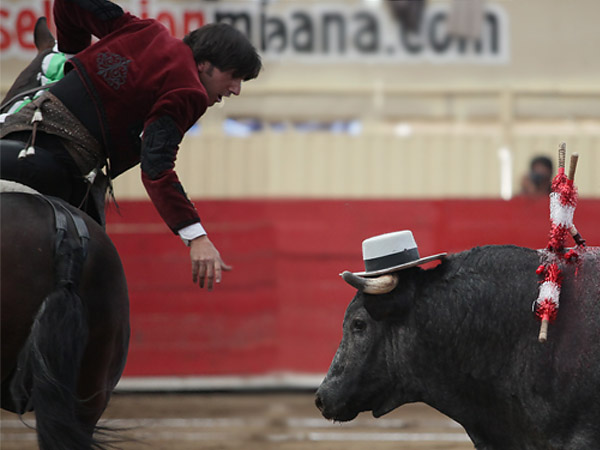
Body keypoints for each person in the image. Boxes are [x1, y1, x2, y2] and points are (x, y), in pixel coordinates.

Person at [0, 0, 262, 291]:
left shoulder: (144, 29)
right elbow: (156, 168)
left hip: (21, 128)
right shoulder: (189, 91)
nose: (236, 89)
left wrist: (71, 56)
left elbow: (69, 3)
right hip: (64, 168)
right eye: (234, 76)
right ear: (204, 64)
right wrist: (196, 236)